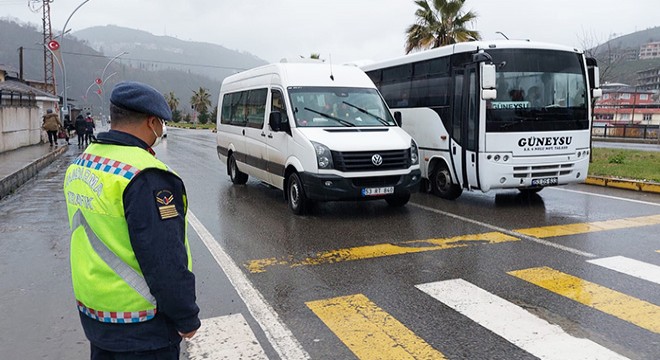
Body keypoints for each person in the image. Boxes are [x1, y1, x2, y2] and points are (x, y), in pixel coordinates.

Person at [63, 81, 200, 359]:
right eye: (161, 123)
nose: (162, 130)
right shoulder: (146, 175)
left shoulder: (83, 163)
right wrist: (185, 317)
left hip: (95, 315)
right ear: (151, 122)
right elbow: (164, 258)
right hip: (143, 326)